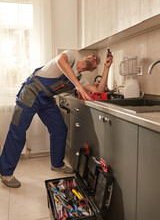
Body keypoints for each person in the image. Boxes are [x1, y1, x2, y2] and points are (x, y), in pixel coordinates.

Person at [0, 50, 113, 188]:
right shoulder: (70, 57)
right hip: (31, 92)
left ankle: (57, 164)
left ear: (92, 69)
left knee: (60, 129)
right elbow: (60, 61)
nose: (94, 57)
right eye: (93, 56)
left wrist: (107, 67)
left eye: (97, 60)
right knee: (18, 130)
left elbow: (99, 91)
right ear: (85, 57)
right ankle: (6, 172)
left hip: (46, 99)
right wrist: (78, 87)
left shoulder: (81, 78)